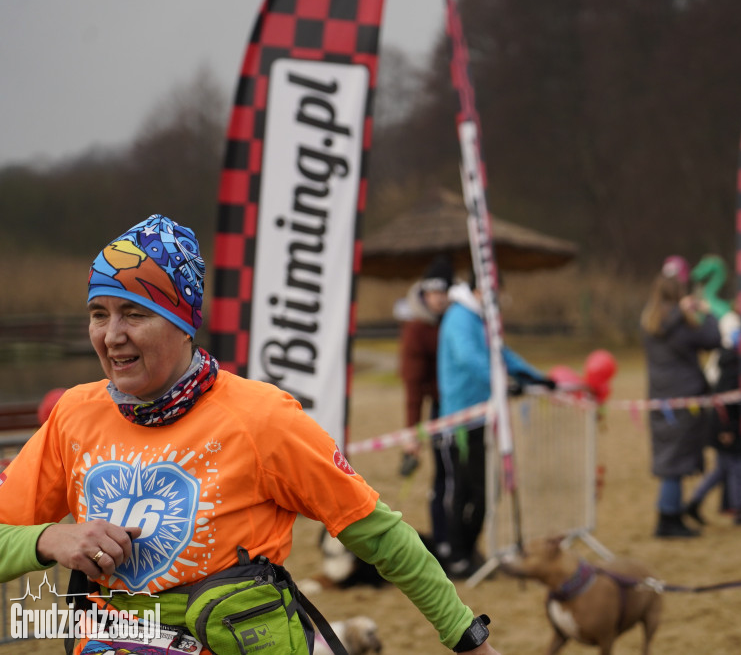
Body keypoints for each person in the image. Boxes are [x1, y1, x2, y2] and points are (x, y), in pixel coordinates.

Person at [0, 215, 500, 655]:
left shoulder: (261, 418)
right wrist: (49, 537)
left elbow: (378, 533)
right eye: (98, 314)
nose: (112, 335)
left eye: (135, 313)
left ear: (182, 323)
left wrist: (466, 638)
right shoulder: (74, 415)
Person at [436, 271, 553, 579]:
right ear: (478, 290)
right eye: (494, 293)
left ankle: (469, 549)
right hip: (461, 421)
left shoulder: (479, 319)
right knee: (466, 490)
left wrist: (533, 375)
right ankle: (458, 556)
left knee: (486, 490)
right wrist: (502, 382)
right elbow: (470, 358)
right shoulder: (460, 317)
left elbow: (499, 352)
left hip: (482, 418)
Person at [640, 257, 721, 538]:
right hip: (685, 399)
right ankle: (668, 519)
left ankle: (670, 515)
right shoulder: (683, 324)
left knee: (669, 462)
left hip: (660, 399)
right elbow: (712, 339)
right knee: (676, 463)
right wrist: (707, 312)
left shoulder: (649, 322)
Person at [395, 256, 455, 561]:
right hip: (438, 411)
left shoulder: (457, 320)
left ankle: (457, 541)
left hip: (463, 406)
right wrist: (412, 434)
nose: (438, 299)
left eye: (443, 291)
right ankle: (444, 541)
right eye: (432, 292)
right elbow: (413, 388)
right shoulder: (416, 330)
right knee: (444, 477)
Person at [684, 318, 741, 527]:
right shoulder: (732, 366)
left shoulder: (733, 363)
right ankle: (738, 510)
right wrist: (726, 429)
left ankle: (694, 503)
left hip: (730, 425)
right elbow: (723, 402)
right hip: (726, 427)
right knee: (735, 467)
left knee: (723, 469)